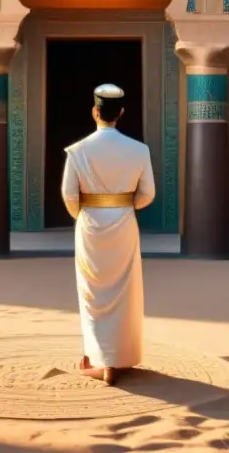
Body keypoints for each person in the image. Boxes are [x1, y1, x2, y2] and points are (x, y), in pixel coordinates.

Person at [61, 83, 155, 385]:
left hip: (90, 225)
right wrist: (125, 208)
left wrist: (84, 216)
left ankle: (95, 356)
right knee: (124, 292)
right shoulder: (139, 150)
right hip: (124, 224)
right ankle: (117, 359)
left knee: (92, 293)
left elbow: (68, 194)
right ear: (121, 113)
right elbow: (147, 194)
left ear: (95, 111)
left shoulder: (77, 152)